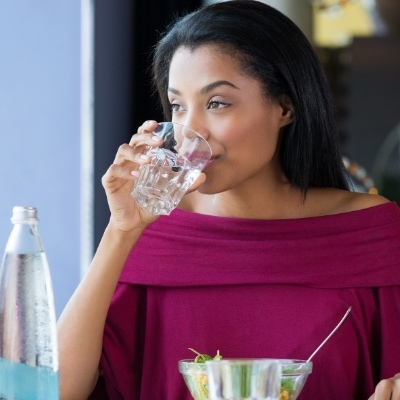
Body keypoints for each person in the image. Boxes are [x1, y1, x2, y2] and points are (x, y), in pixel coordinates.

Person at [57, 1, 400, 399]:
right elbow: (54, 391)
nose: (189, 131)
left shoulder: (370, 233)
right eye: (178, 106)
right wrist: (120, 230)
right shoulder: (152, 232)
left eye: (217, 103)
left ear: (285, 106)